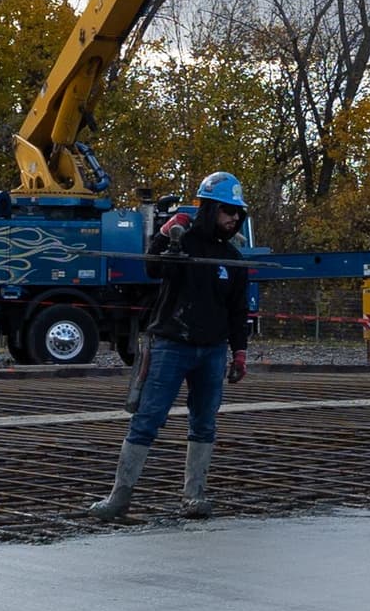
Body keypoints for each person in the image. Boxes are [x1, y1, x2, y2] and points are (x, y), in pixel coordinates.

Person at [86, 172, 254, 524]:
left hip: (211, 351)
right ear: (208, 210)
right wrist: (166, 233)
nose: (233, 218)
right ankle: (119, 498)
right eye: (227, 211)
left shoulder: (232, 257)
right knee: (147, 420)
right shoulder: (183, 243)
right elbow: (152, 267)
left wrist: (238, 352)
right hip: (170, 346)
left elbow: (238, 311)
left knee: (204, 423)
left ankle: (194, 496)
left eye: (237, 213)